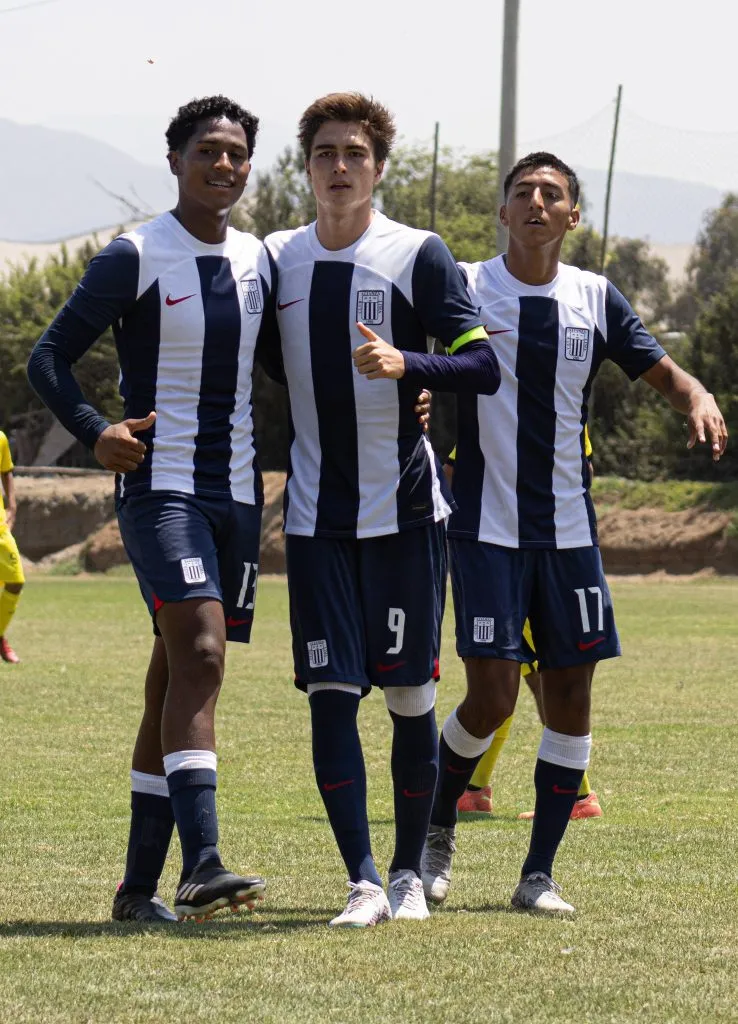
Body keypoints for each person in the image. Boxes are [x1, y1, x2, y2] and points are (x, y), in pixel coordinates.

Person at [421, 151, 727, 914]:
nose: (534, 201)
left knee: (571, 697)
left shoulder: (595, 297)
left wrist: (697, 394)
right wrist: (418, 389)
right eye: (521, 192)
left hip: (568, 530)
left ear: (572, 217)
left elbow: (663, 372)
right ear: (502, 212)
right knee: (490, 699)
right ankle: (434, 828)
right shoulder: (464, 284)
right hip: (485, 525)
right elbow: (414, 356)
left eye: (550, 194)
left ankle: (538, 875)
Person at [28, 95, 278, 923]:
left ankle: (136, 892)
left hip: (238, 498)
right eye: (207, 150)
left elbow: (287, 366)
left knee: (176, 672)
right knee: (202, 655)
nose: (224, 165)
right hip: (159, 489)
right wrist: (98, 432)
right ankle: (202, 859)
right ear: (174, 161)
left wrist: (410, 395)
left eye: (237, 153)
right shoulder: (135, 254)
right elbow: (49, 357)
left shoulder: (260, 261)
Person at [264, 92, 500, 927]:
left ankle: (407, 872)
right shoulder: (276, 258)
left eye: (354, 153)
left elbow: (482, 368)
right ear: (308, 165)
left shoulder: (416, 254)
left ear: (378, 166)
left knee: (406, 699)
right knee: (330, 694)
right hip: (316, 521)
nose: (339, 167)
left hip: (404, 513)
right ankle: (362, 879)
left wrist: (411, 365)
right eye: (325, 152)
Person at [458, 429, 601, 820]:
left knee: (533, 682)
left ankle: (577, 797)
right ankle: (474, 789)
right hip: (548, 552)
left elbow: (458, 474)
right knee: (510, 684)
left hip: (513, 560)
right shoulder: (564, 409)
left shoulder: (497, 412)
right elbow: (586, 468)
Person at [0, 430, 25, 664]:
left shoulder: (0, 439)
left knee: (16, 581)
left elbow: (6, 470)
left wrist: (12, 505)